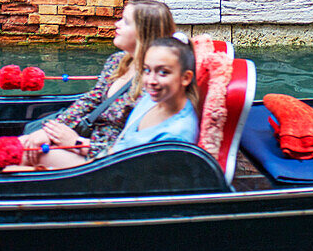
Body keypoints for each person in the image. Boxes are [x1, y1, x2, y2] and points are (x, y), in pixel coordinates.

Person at [19, 0, 175, 162]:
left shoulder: (153, 85)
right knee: (23, 144)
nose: (117, 24)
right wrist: (50, 131)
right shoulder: (117, 61)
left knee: (23, 153)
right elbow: (90, 101)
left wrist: (78, 143)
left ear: (144, 33)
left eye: (126, 22)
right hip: (84, 139)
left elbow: (133, 145)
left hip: (106, 160)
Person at [23, 36, 199, 170]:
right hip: (106, 163)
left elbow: (134, 178)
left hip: (111, 180)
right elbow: (119, 148)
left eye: (163, 73)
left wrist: (77, 144)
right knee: (23, 152)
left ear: (185, 78)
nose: (151, 81)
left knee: (16, 165)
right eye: (146, 70)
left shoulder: (176, 136)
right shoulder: (150, 100)